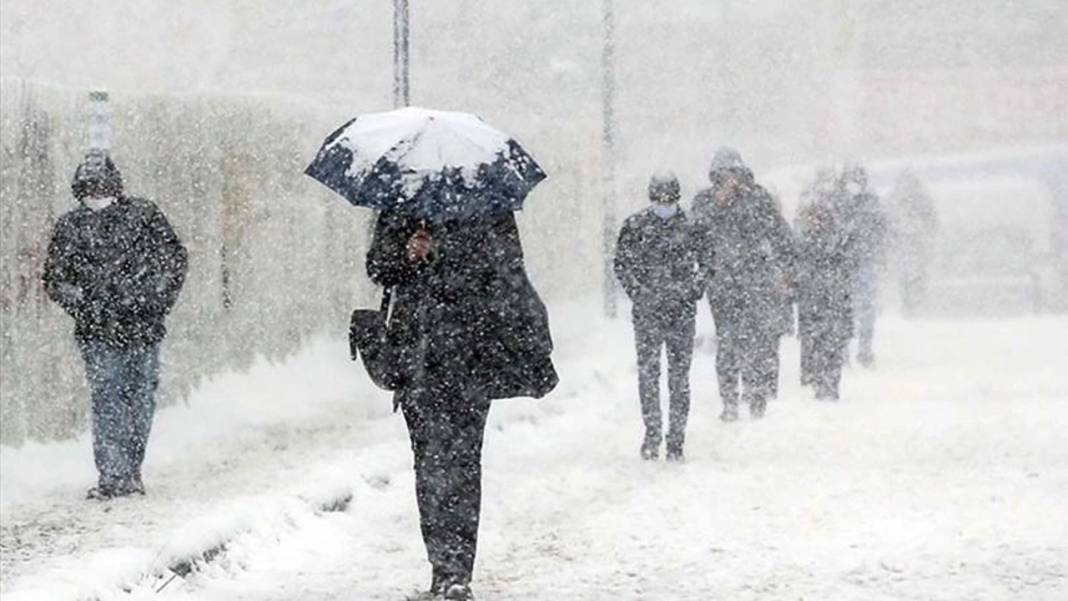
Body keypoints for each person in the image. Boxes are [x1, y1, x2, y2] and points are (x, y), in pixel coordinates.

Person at [367, 210, 557, 601]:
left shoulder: (490, 208)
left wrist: (446, 253)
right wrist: (406, 254)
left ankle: (457, 572)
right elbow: (377, 267)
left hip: (472, 356)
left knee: (463, 463)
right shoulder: (402, 205)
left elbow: (507, 270)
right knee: (429, 463)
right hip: (416, 359)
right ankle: (443, 567)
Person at [43, 150, 188, 500]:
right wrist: (88, 304)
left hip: (143, 328)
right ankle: (112, 475)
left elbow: (174, 262)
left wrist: (150, 299)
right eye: (87, 189)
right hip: (98, 331)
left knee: (139, 400)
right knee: (108, 398)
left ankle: (130, 470)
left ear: (115, 186)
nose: (95, 195)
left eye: (100, 186)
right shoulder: (70, 226)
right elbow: (55, 279)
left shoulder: (145, 216)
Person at [692, 147, 795, 421]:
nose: (729, 180)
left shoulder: (758, 198)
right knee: (727, 341)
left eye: (732, 174)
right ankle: (729, 400)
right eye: (722, 175)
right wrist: (718, 203)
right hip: (722, 284)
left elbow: (781, 236)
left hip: (756, 281)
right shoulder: (704, 200)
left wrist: (785, 272)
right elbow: (695, 234)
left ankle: (756, 393)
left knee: (757, 340)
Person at [613, 172, 707, 462]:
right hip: (648, 313)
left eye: (669, 199)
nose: (663, 205)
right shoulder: (636, 226)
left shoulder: (692, 226)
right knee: (649, 375)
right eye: (659, 199)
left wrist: (693, 289)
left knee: (679, 377)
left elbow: (707, 262)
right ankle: (652, 433)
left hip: (681, 312)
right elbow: (622, 264)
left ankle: (676, 438)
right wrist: (639, 292)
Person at [796, 202, 853, 401]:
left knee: (833, 345)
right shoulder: (802, 243)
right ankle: (819, 382)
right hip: (812, 303)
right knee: (815, 345)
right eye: (811, 218)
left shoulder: (838, 242)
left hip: (834, 302)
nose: (815, 222)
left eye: (819, 218)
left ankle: (831, 383)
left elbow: (846, 268)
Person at [837, 164, 886, 367]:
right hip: (844, 264)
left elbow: (881, 231)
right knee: (844, 310)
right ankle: (844, 352)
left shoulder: (871, 204)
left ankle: (864, 351)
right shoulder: (838, 203)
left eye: (856, 180)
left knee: (865, 310)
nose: (853, 185)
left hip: (864, 262)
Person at [886, 171, 938, 317]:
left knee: (917, 275)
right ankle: (908, 304)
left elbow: (932, 221)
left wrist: (923, 233)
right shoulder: (892, 200)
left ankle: (916, 303)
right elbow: (885, 224)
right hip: (903, 246)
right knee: (904, 276)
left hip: (917, 245)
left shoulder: (922, 201)